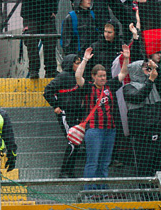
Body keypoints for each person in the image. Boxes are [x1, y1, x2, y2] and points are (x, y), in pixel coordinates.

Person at [74, 45, 130, 189]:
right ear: (93, 77)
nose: (103, 78)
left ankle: (102, 190)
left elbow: (123, 73)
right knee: (93, 162)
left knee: (105, 162)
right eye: (100, 76)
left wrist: (126, 58)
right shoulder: (88, 87)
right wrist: (85, 60)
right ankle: (89, 191)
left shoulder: (110, 86)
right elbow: (78, 77)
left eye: (104, 76)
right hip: (94, 130)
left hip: (110, 130)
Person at [43, 54, 84, 178]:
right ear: (70, 64)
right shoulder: (63, 76)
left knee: (75, 143)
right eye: (77, 63)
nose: (79, 65)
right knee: (72, 142)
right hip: (66, 114)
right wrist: (55, 106)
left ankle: (69, 171)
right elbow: (47, 91)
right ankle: (64, 172)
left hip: (75, 114)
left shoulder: (77, 76)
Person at [20, 0, 59, 77]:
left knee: (50, 42)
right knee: (31, 42)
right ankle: (34, 70)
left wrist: (54, 11)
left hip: (47, 16)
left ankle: (51, 70)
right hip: (31, 15)